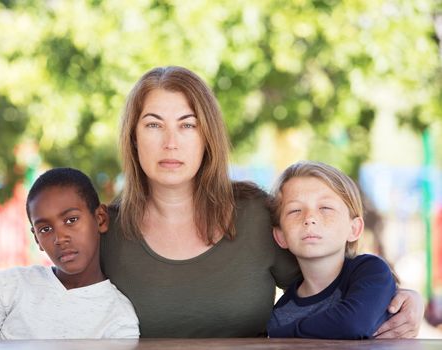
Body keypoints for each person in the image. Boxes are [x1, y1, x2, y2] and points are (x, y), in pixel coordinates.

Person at [100, 66, 424, 338]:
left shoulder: (255, 215)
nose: (171, 142)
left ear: (207, 137)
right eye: (154, 125)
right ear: (133, 136)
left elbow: (336, 282)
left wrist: (405, 296)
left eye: (188, 125)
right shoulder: (103, 231)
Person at [0, 168, 139, 340]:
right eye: (45, 229)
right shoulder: (10, 286)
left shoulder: (119, 316)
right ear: (37, 240)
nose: (59, 238)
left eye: (71, 220)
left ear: (100, 219)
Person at [267, 161, 396, 339]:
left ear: (354, 229)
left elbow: (354, 324)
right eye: (295, 210)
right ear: (281, 236)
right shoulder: (281, 314)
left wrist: (283, 335)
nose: (309, 218)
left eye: (325, 208)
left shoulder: (372, 272)